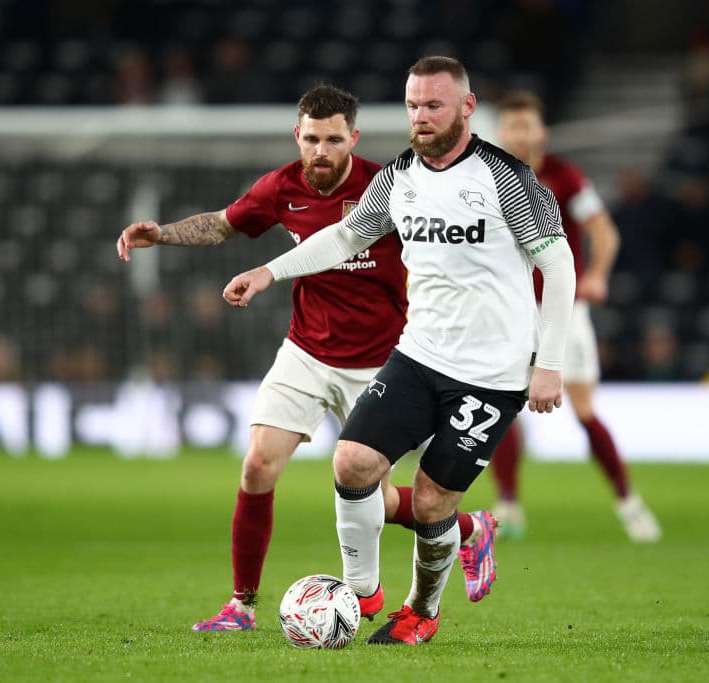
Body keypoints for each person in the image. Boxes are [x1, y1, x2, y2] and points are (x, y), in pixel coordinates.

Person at [115, 85, 498, 633]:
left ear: (353, 139)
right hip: (307, 350)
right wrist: (164, 234)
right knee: (256, 466)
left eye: (333, 140)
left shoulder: (389, 186)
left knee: (380, 496)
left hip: (382, 361)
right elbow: (225, 223)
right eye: (312, 139)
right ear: (298, 136)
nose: (321, 151)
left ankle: (464, 527)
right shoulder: (282, 186)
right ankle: (241, 605)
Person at [223, 57, 575, 646]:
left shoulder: (503, 176)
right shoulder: (399, 176)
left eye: (433, 105)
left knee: (434, 502)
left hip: (492, 372)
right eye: (412, 105)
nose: (421, 116)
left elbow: (558, 265)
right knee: (352, 462)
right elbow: (344, 237)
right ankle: (360, 596)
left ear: (466, 107)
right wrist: (269, 271)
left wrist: (551, 363)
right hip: (419, 354)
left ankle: (422, 611)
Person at [491, 91, 662, 542]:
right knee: (503, 410)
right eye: (512, 126)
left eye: (526, 125)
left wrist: (599, 276)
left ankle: (629, 501)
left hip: (565, 310)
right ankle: (508, 505)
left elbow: (603, 231)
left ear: (542, 132)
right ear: (500, 132)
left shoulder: (564, 177)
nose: (519, 134)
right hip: (511, 310)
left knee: (583, 410)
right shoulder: (487, 177)